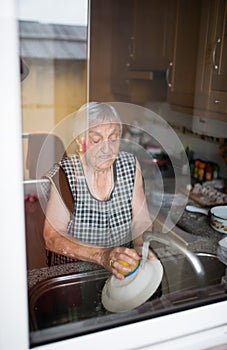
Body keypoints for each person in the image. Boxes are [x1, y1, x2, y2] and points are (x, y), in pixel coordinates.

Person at [43, 102, 156, 280]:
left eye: (113, 139)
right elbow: (52, 236)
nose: (107, 148)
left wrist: (142, 246)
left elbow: (140, 221)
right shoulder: (65, 176)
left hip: (119, 272)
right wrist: (102, 255)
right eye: (96, 140)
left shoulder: (130, 166)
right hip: (75, 277)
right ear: (79, 140)